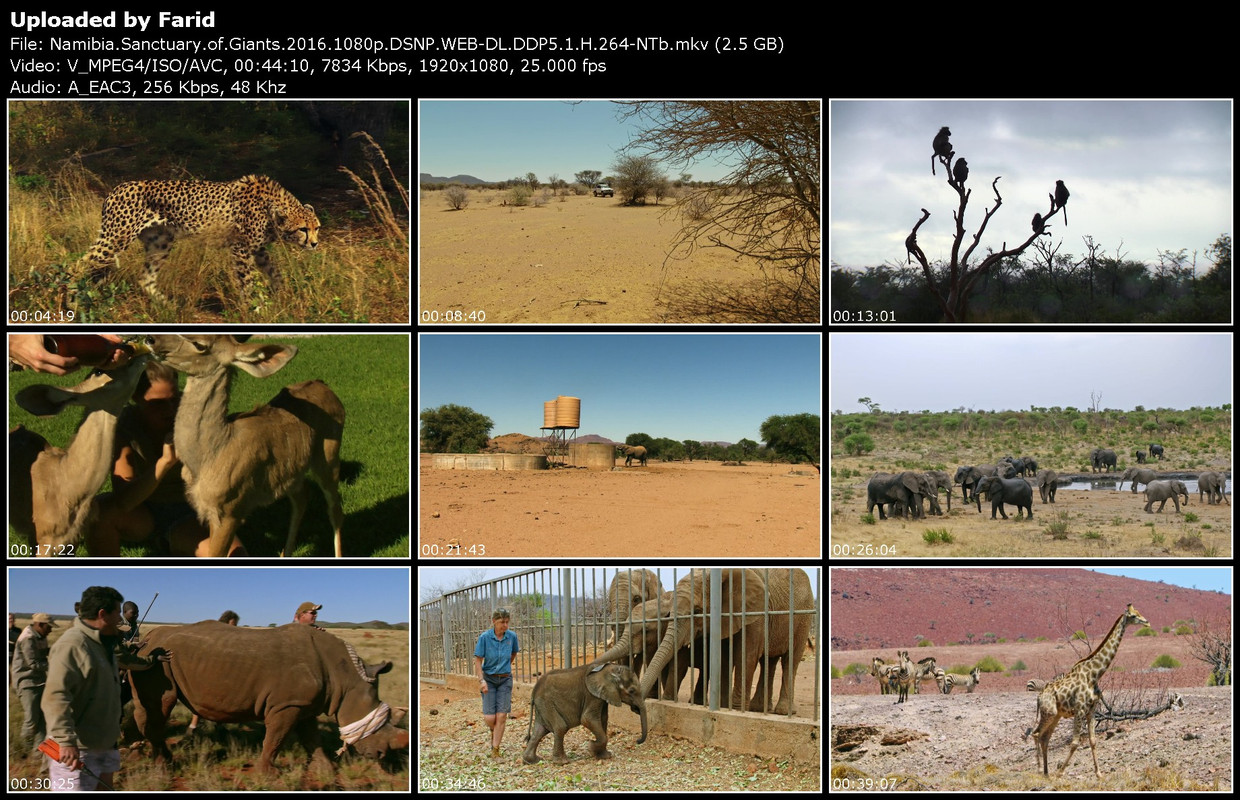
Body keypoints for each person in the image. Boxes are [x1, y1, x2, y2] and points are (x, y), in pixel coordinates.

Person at [41, 586, 171, 791]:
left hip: (104, 743)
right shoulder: (72, 646)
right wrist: (65, 741)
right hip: (78, 749)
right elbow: (55, 697)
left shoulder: (105, 644)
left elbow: (127, 661)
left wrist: (150, 659)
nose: (121, 619)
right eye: (117, 613)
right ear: (102, 615)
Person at [474, 608, 519, 758]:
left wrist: (505, 666)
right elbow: (478, 660)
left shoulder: (511, 637)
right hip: (489, 679)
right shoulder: (485, 638)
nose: (505, 625)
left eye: (507, 622)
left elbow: (513, 653)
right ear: (494, 621)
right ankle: (493, 732)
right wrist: (482, 680)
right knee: (489, 718)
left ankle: (496, 749)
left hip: (505, 679)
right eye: (502, 622)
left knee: (501, 716)